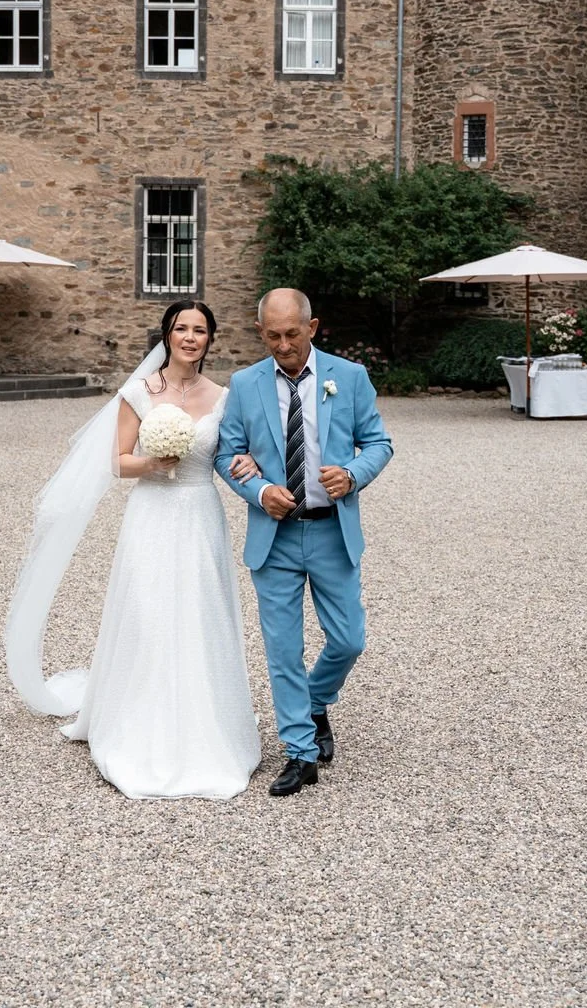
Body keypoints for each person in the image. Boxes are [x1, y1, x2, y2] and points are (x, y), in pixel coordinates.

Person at [4, 300, 261, 799]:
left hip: (201, 514)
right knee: (148, 612)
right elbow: (117, 462)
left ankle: (206, 721)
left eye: (200, 330)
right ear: (166, 335)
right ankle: (137, 721)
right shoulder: (138, 391)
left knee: (200, 612)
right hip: (152, 514)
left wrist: (249, 465)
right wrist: (154, 463)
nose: (190, 337)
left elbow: (233, 454)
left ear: (211, 339)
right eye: (181, 328)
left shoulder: (225, 396)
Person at [215, 289, 394, 796]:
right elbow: (226, 451)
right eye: (272, 335)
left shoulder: (350, 377)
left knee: (348, 638)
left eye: (293, 334)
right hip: (273, 537)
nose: (283, 344)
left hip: (331, 530)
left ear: (313, 328)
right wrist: (257, 488)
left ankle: (316, 703)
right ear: (261, 333)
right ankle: (299, 750)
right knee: (282, 650)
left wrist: (354, 474)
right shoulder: (245, 384)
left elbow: (379, 442)